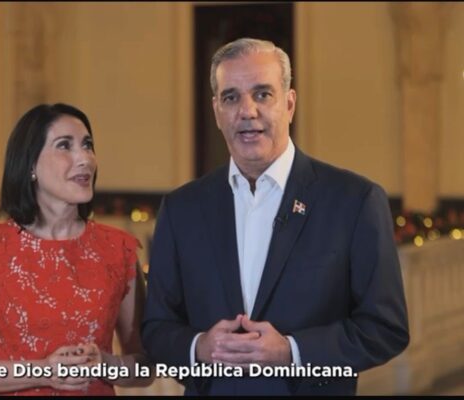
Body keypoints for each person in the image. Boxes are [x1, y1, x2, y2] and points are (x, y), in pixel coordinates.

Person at [141, 38, 409, 395]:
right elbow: (156, 328)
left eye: (263, 94)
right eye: (231, 97)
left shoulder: (355, 201)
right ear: (217, 111)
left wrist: (292, 352)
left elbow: (385, 328)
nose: (247, 111)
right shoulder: (181, 209)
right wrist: (199, 347)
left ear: (289, 104)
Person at [0, 103, 153, 395]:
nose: (85, 158)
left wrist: (106, 364)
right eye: (64, 145)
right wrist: (43, 371)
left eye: (87, 145)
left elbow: (146, 367)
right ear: (30, 165)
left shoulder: (119, 250)